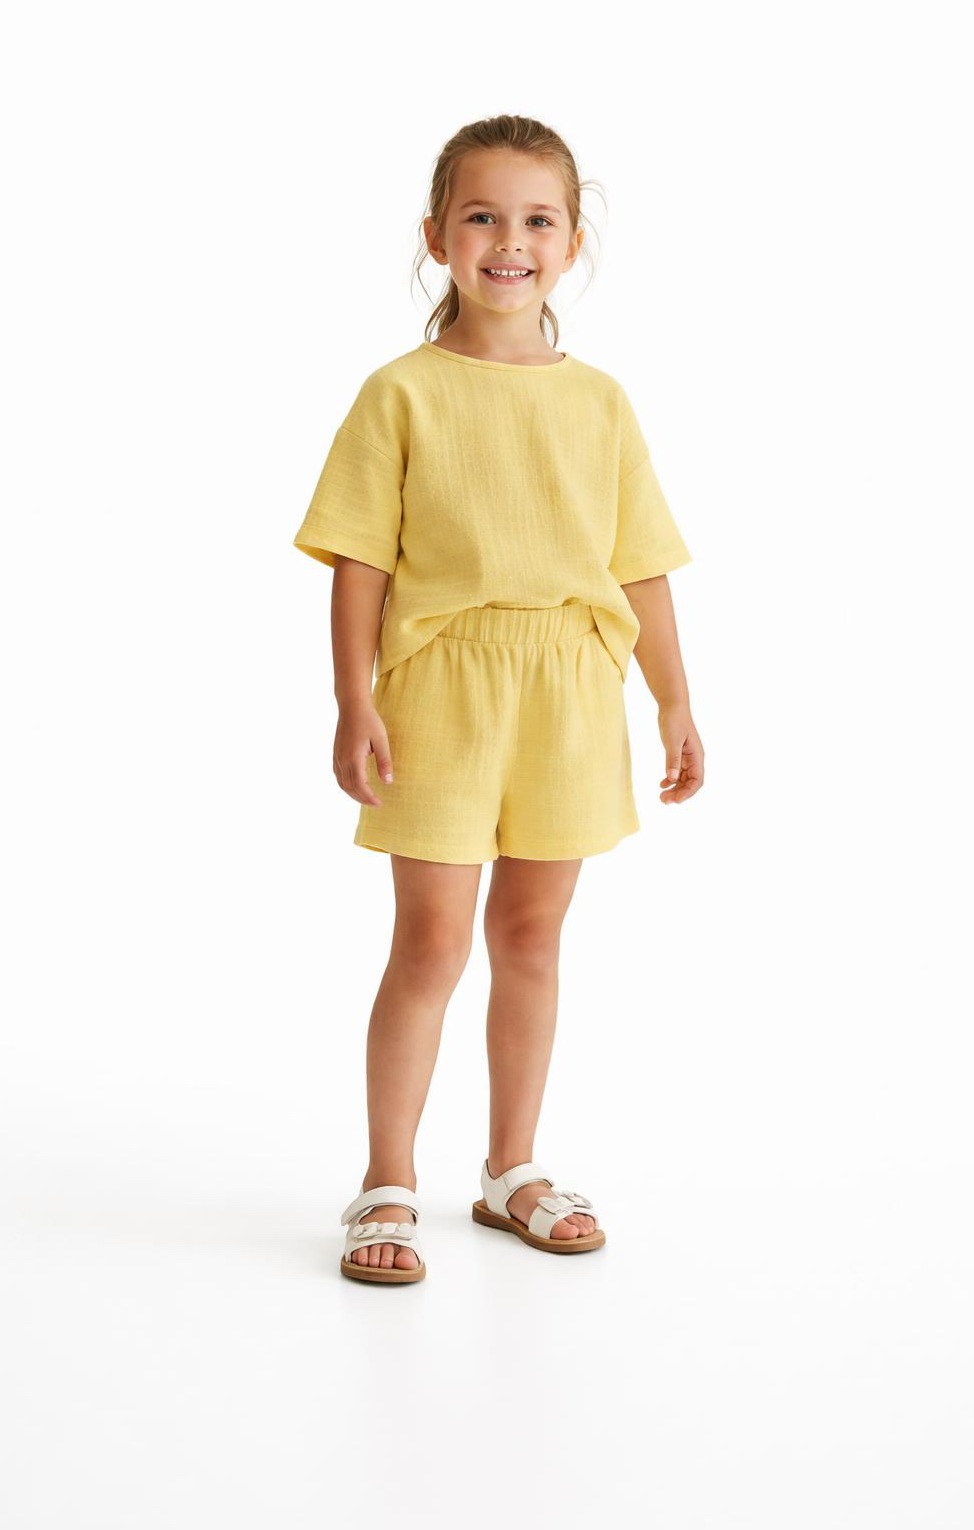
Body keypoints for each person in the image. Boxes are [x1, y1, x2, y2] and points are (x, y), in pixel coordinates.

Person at [292, 114, 705, 1284]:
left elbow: (639, 564)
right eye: (481, 217)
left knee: (530, 936)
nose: (509, 242)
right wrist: (353, 700)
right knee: (429, 943)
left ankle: (510, 1168)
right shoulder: (401, 394)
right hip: (443, 689)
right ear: (437, 237)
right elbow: (359, 559)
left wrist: (673, 701)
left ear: (570, 242)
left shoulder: (601, 402)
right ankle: (386, 1178)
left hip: (569, 691)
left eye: (536, 220)